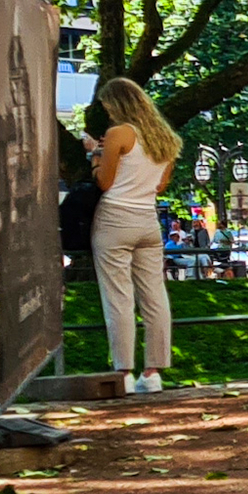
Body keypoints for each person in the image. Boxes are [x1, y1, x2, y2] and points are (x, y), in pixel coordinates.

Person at [87, 79, 180, 394]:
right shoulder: (165, 139)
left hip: (114, 219)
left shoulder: (118, 134)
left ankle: (123, 372)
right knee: (154, 297)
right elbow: (159, 187)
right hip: (148, 220)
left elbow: (105, 182)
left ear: (116, 104)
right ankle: (152, 372)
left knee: (119, 298)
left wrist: (94, 156)